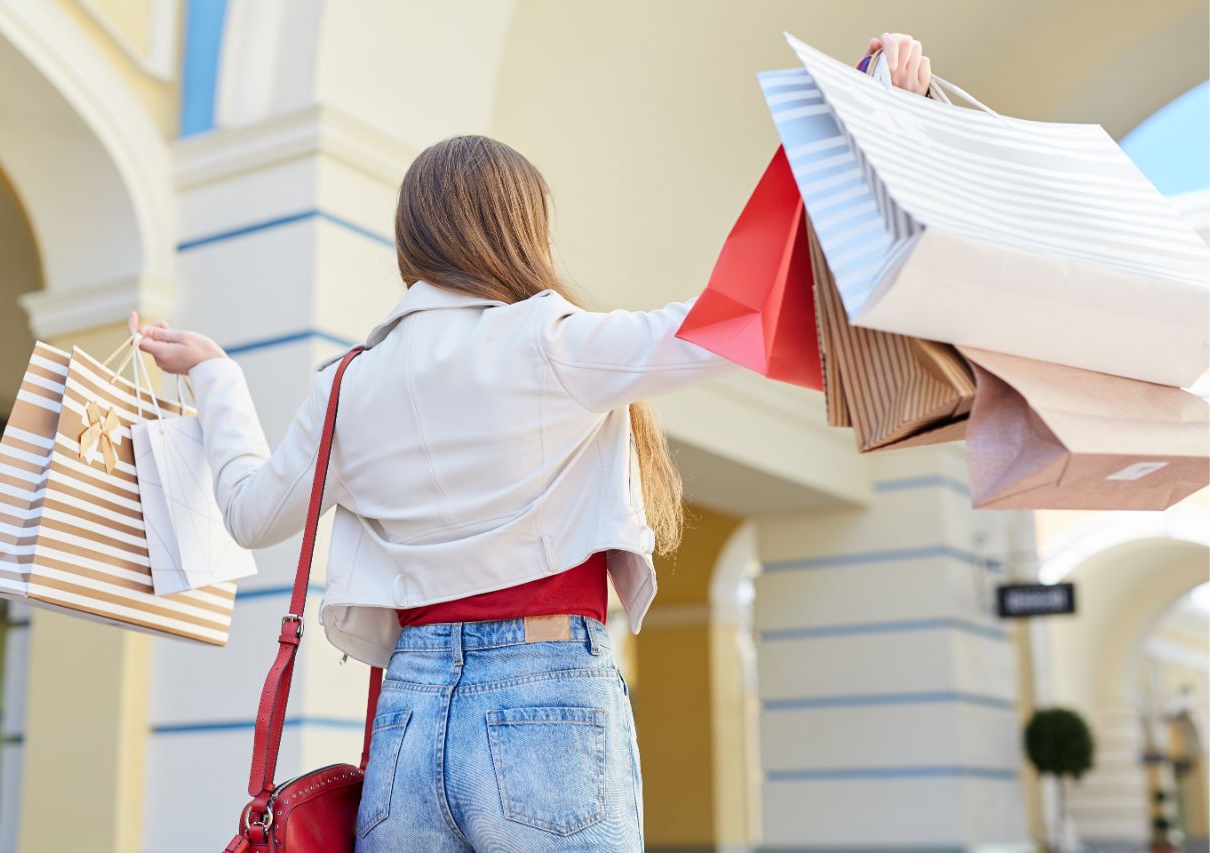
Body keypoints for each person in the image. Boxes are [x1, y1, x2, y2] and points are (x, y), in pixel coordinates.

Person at [133, 32, 933, 852]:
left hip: (408, 707)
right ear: (521, 228)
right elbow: (739, 318)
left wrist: (217, 377)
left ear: (410, 240)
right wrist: (872, 123)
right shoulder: (552, 341)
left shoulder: (347, 382)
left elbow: (248, 513)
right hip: (544, 690)